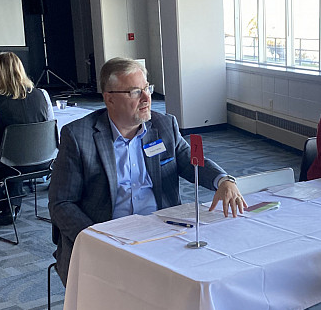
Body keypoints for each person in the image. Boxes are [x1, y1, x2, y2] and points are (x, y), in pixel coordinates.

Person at [49, 57, 247, 285]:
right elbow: (61, 203)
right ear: (109, 98)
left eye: (147, 88)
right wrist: (95, 238)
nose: (146, 98)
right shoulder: (79, 136)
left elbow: (191, 161)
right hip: (108, 236)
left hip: (163, 232)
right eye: (134, 92)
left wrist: (224, 180)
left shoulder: (164, 126)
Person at [0, 52, 54, 228]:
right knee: (15, 156)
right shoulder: (43, 94)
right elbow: (49, 128)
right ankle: (12, 206)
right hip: (44, 162)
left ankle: (3, 205)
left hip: (9, 164)